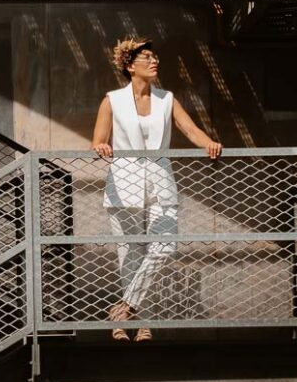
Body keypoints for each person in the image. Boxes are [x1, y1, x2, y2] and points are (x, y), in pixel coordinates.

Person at [90, 37, 223, 341]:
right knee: (130, 253)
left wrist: (209, 144)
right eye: (147, 57)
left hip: (161, 181)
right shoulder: (112, 99)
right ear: (129, 65)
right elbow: (99, 137)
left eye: (154, 57)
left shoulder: (167, 99)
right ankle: (141, 321)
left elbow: (189, 129)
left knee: (164, 246)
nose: (154, 61)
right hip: (124, 182)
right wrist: (100, 145)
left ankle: (124, 309)